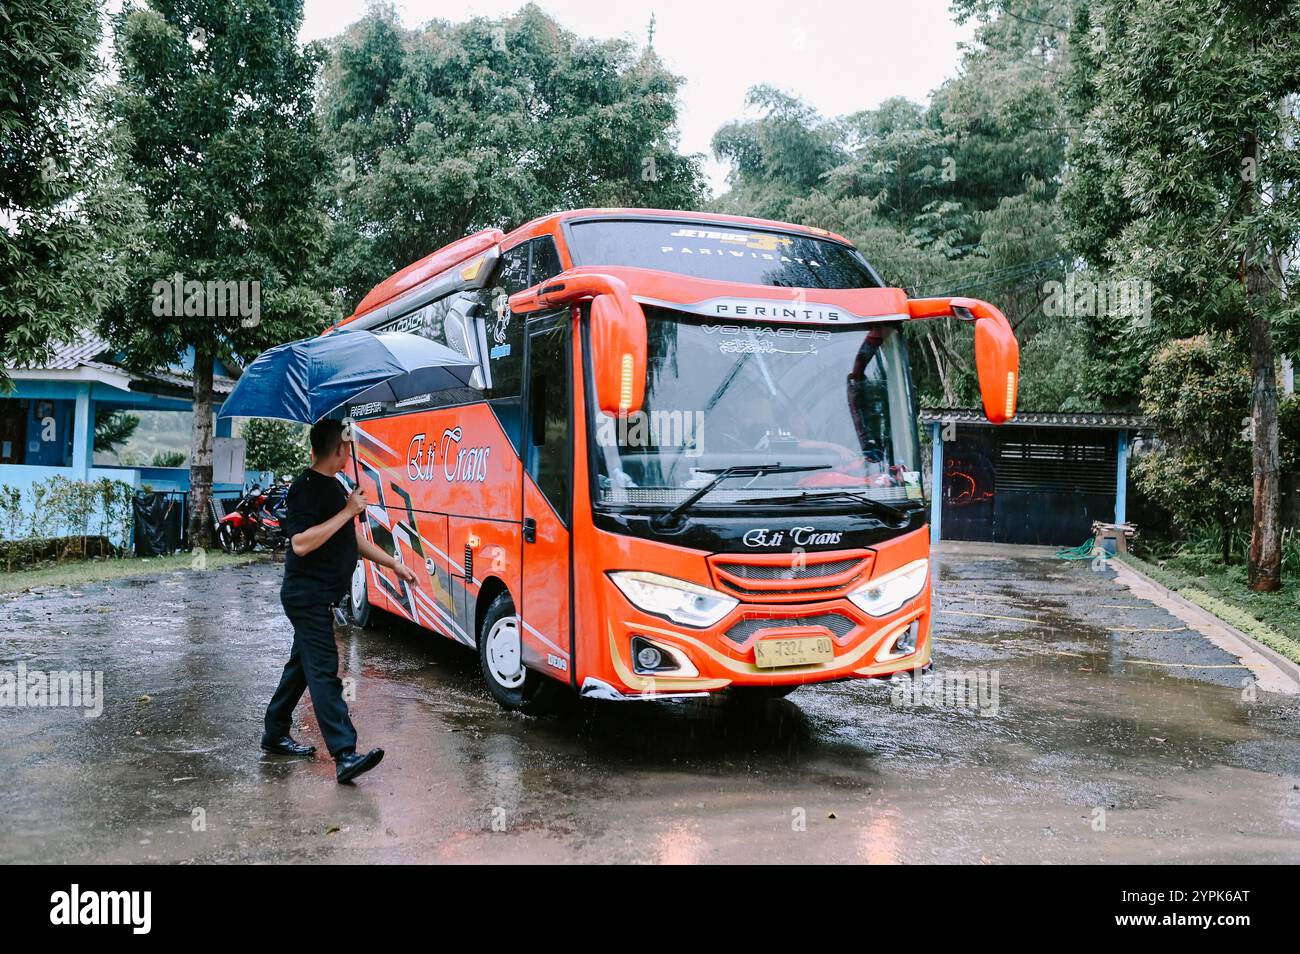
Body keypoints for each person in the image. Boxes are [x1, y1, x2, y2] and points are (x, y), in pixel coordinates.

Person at [261, 419, 417, 783]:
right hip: (307, 596)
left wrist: (393, 562)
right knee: (324, 671)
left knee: (302, 666)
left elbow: (349, 540)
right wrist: (347, 511)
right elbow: (300, 543)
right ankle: (345, 755)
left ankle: (274, 732)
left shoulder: (335, 486)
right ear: (339, 450)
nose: (349, 451)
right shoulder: (304, 489)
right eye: (346, 446)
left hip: (321, 596)